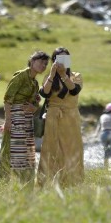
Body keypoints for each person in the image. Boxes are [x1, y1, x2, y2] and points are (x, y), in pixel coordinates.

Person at [0, 51, 49, 187]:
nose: (43, 65)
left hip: (27, 122)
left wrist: (34, 107)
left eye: (45, 63)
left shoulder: (35, 83)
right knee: (10, 152)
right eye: (40, 61)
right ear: (32, 61)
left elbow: (35, 103)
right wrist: (8, 120)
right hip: (15, 119)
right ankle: (3, 185)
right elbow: (8, 99)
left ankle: (25, 185)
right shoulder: (21, 76)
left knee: (26, 154)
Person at [37, 47, 84, 187]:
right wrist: (52, 74)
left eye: (66, 58)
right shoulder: (48, 77)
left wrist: (64, 75)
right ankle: (48, 182)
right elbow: (44, 93)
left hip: (71, 117)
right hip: (53, 117)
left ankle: (72, 182)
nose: (63, 61)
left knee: (72, 148)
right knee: (51, 148)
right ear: (54, 61)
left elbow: (74, 90)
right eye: (60, 58)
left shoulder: (76, 75)